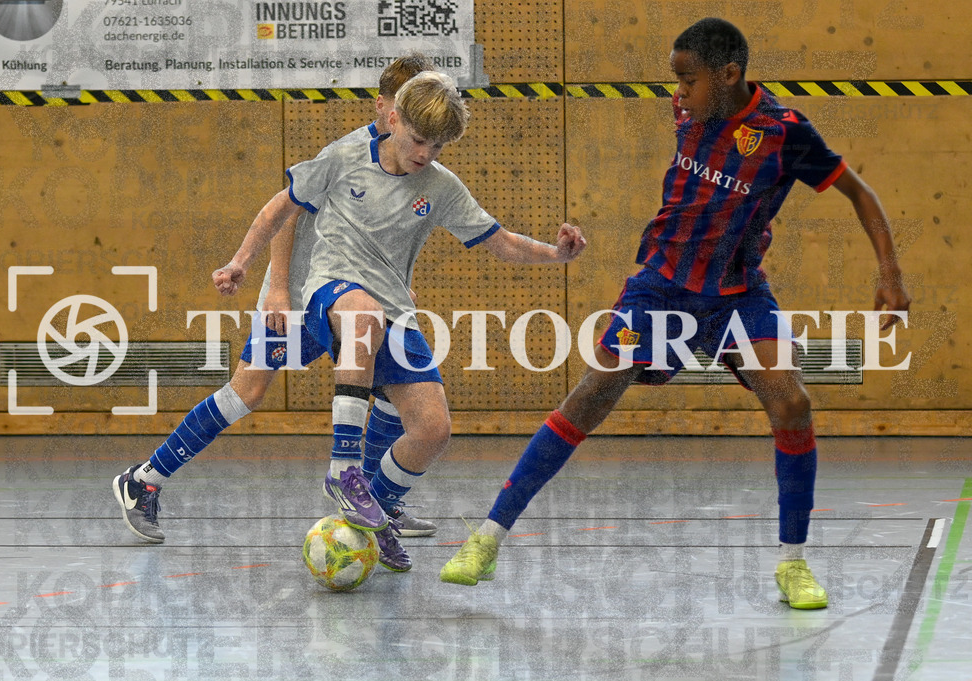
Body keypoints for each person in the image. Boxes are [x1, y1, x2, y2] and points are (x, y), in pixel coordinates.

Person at [440, 17, 911, 610]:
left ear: (729, 74)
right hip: (661, 286)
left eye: (688, 81)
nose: (677, 94)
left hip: (738, 293)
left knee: (792, 403)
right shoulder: (690, 111)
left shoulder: (785, 133)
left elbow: (860, 194)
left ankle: (793, 562)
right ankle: (487, 538)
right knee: (590, 395)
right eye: (676, 81)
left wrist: (890, 273)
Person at [218, 70, 586, 571]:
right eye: (418, 140)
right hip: (331, 288)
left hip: (394, 306)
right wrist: (240, 262)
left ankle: (379, 512)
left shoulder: (440, 186)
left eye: (437, 146)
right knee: (363, 314)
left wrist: (556, 255)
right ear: (393, 119)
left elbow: (501, 242)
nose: (425, 154)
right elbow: (279, 210)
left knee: (432, 430)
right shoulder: (344, 158)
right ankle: (344, 470)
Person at [111, 55, 440, 554]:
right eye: (406, 106)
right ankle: (143, 480)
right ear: (384, 107)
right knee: (246, 391)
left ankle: (376, 501)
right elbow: (288, 214)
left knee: (399, 387)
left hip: (361, 297)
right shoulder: (348, 154)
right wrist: (279, 288)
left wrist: (398, 286)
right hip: (306, 292)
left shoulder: (414, 162)